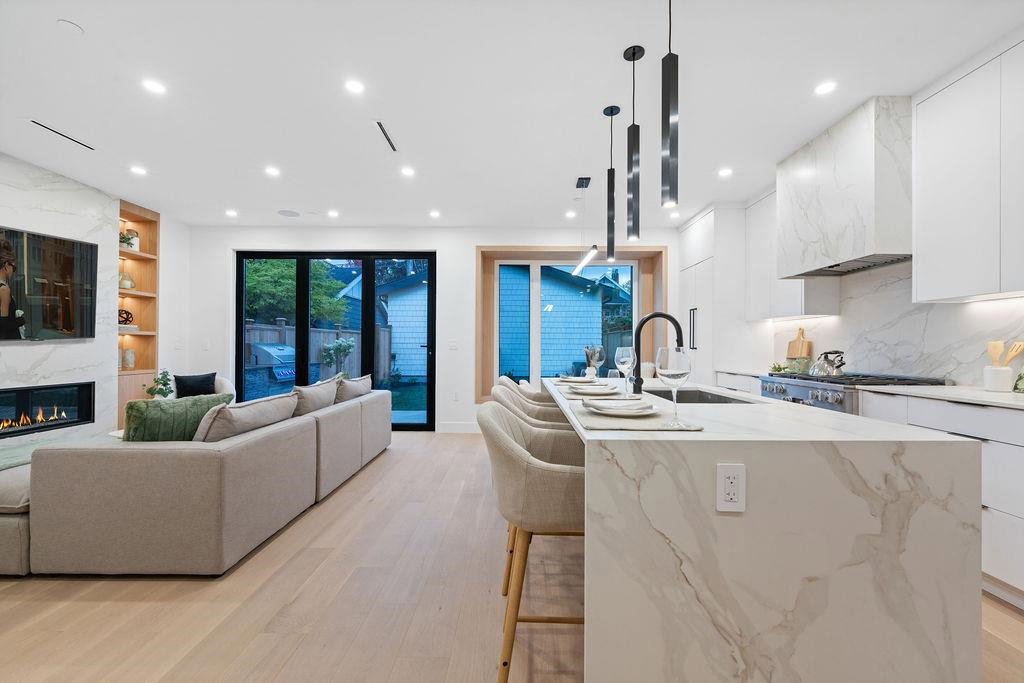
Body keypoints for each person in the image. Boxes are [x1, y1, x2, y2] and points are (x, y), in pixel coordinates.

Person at [0, 239, 26, 340]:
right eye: (13, 267)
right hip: (10, 343)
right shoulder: (4, 289)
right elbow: (3, 326)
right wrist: (20, 321)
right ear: (6, 265)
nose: (13, 271)